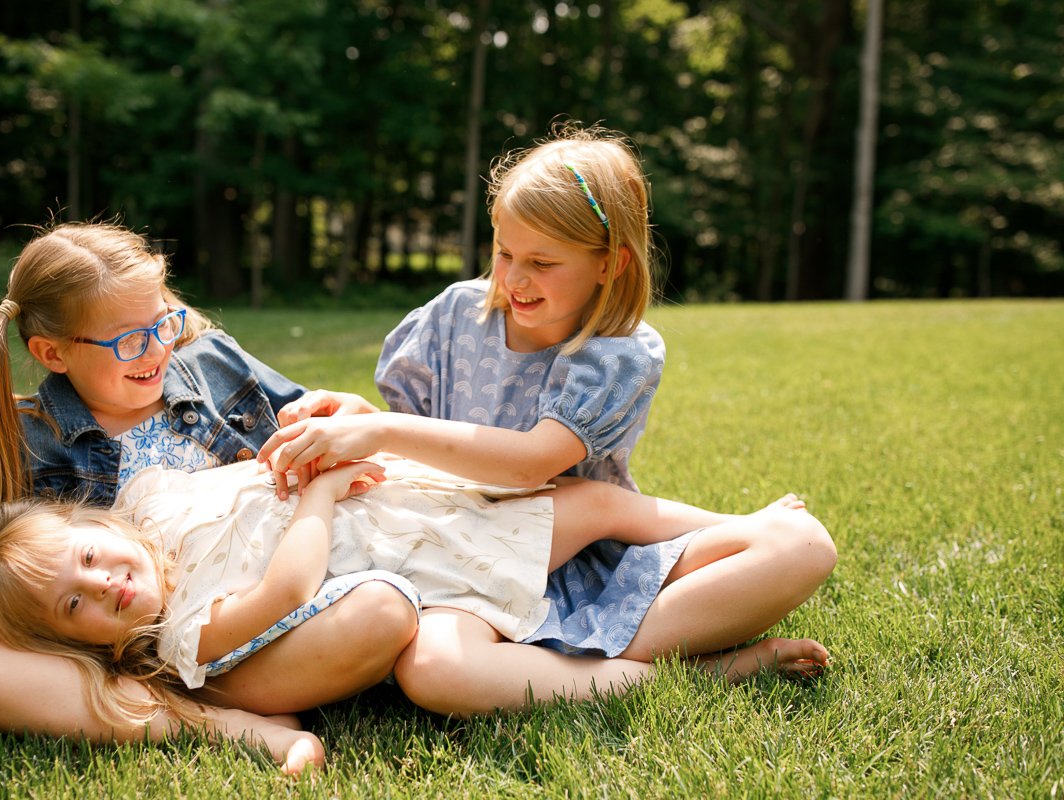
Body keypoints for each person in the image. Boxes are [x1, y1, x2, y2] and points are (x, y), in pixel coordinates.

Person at [258, 124, 834, 716]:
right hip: (460, 555)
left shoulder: (618, 351)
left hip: (576, 552)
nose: (514, 279)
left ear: (609, 264)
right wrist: (361, 415)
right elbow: (415, 442)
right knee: (434, 670)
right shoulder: (454, 315)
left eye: (542, 261)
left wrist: (381, 429)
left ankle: (612, 656)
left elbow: (532, 463)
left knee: (806, 545)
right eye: (504, 253)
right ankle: (691, 672)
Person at [0, 454, 833, 769]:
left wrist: (327, 446)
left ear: (100, 524)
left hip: (456, 535)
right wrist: (322, 498)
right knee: (456, 670)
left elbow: (265, 461)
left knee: (620, 510)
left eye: (91, 558)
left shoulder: (153, 497)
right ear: (81, 641)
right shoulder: (182, 635)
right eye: (79, 604)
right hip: (447, 593)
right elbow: (291, 592)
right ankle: (703, 669)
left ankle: (741, 525)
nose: (106, 583)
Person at [0, 222, 419, 744]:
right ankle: (207, 721)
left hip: (297, 590)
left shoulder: (214, 364)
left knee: (379, 611)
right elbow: (28, 593)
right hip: (171, 652)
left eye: (163, 324)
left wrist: (351, 416)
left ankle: (200, 704)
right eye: (131, 340)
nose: (157, 350)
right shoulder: (34, 438)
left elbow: (337, 435)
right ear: (53, 353)